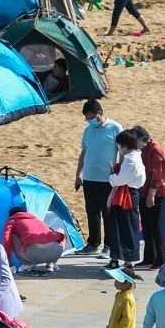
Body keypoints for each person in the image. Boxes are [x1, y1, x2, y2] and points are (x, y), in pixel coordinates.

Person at [73, 99, 121, 252]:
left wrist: (119, 172)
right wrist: (78, 174)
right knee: (91, 211)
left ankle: (109, 244)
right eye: (87, 118)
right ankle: (93, 243)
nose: (89, 121)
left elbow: (123, 152)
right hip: (89, 177)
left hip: (107, 178)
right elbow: (84, 152)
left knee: (108, 213)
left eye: (91, 117)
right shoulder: (88, 130)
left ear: (100, 113)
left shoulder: (115, 128)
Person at [106, 129, 146, 269]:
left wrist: (112, 177)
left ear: (125, 145)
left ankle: (123, 259)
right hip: (131, 193)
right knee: (127, 227)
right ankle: (122, 259)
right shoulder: (136, 156)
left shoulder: (130, 160)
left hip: (126, 195)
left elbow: (120, 179)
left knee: (122, 227)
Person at [133, 126, 165, 268]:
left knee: (156, 227)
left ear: (142, 139)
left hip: (156, 194)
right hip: (143, 191)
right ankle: (149, 257)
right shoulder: (142, 151)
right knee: (147, 226)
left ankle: (160, 259)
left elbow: (157, 175)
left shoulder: (154, 150)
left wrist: (151, 194)